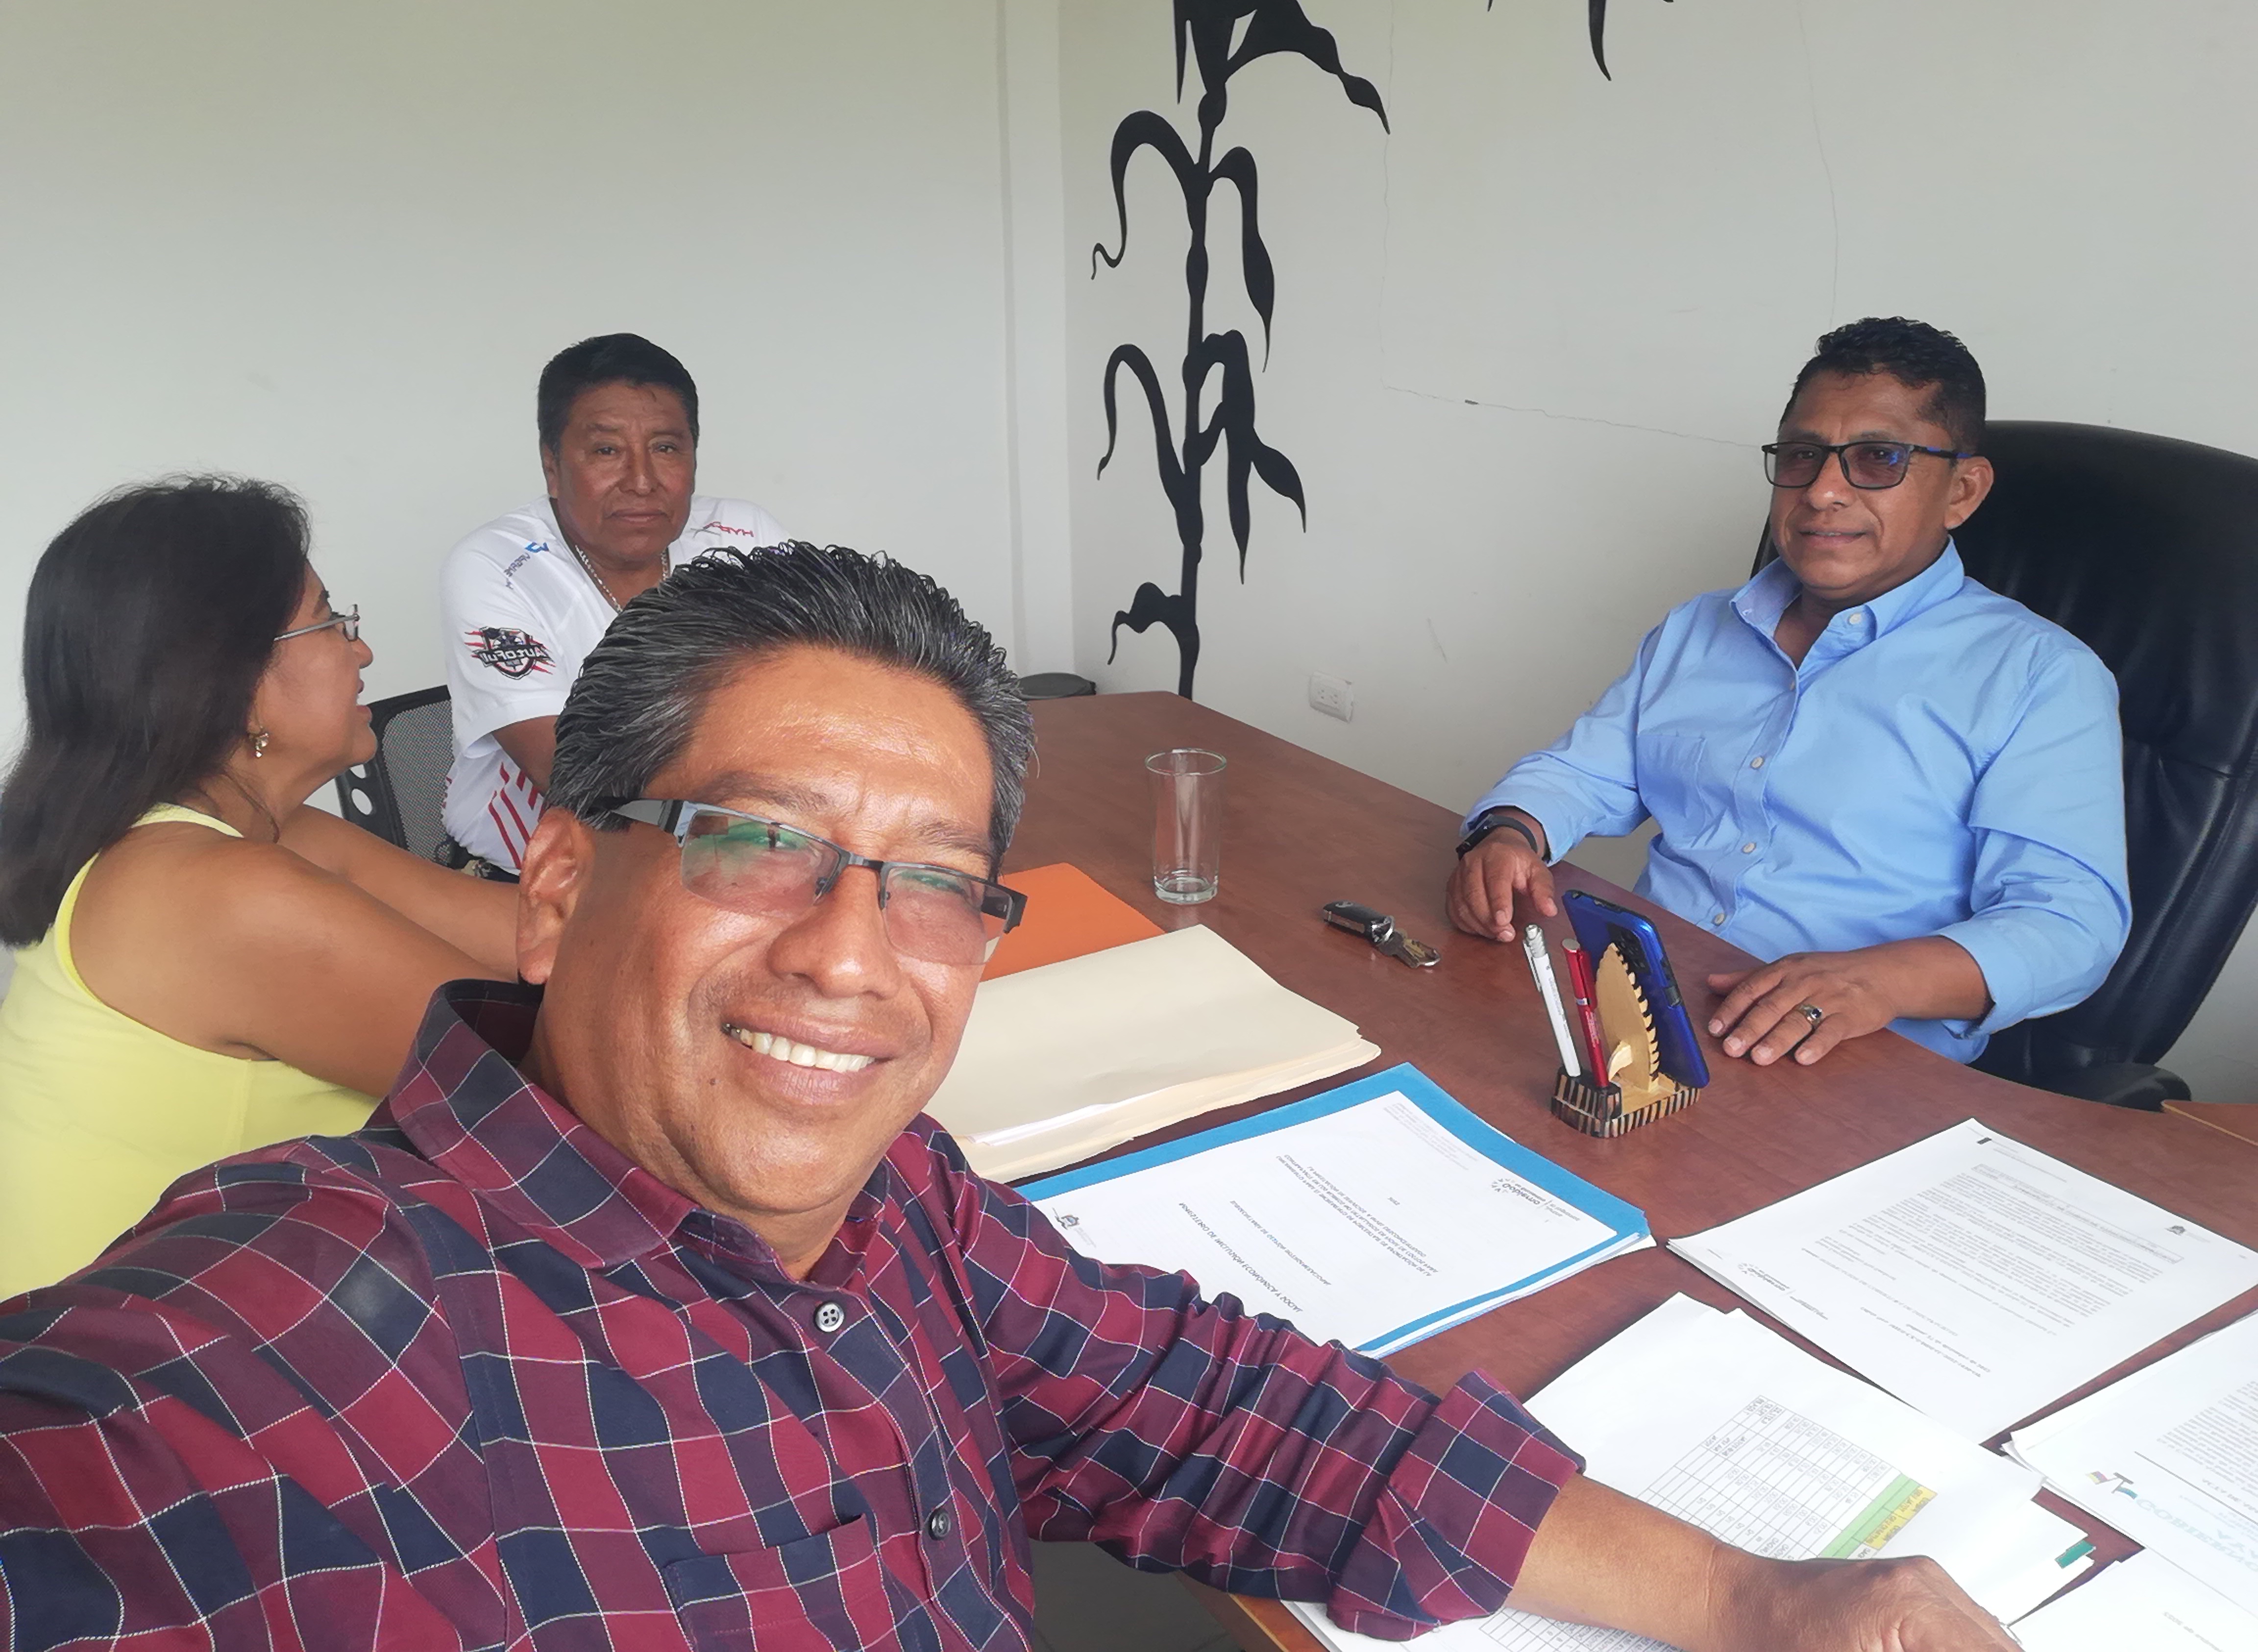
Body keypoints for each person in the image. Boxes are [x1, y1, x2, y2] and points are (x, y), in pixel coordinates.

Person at [0, 543, 2014, 1651]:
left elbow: (1213, 1404)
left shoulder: (893, 1209)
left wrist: (1752, 1591)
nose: (848, 954)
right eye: (757, 842)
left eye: (934, 883)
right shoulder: (276, 1355)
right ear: (557, 886)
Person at [1448, 318, 2129, 1070]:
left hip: (1845, 1063)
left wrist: (1876, 981)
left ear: (1962, 491)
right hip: (1643, 1012)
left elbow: (2071, 926)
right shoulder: (1700, 627)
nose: (1824, 492)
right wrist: (1509, 833)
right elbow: (1585, 773)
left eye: (1879, 458)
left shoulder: (2039, 675)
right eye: (1803, 456)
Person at [0, 477, 517, 1297]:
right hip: (132, 1363)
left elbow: (527, 939)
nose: (361, 651)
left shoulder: (247, 835)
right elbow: (543, 1089)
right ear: (232, 677)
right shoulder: (211, 893)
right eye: (329, 621)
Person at [440, 331, 786, 874]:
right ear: (552, 467)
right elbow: (572, 773)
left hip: (722, 858)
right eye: (606, 451)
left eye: (666, 448)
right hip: (541, 878)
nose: (642, 481)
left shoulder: (746, 536)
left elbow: (818, 699)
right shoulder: (496, 566)